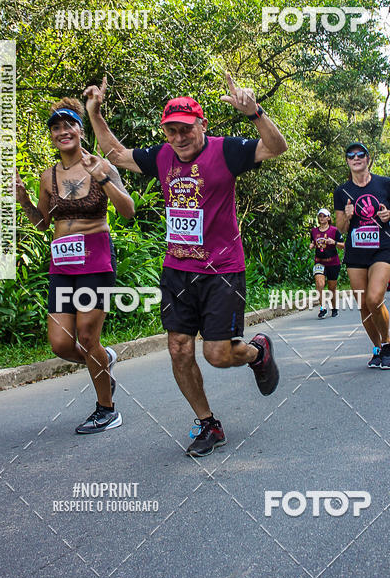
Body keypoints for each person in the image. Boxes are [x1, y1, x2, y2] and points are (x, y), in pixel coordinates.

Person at [83, 74, 288, 458]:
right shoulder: (162, 157)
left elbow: (276, 147)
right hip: (178, 270)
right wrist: (95, 113)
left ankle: (257, 353)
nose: (178, 137)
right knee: (179, 348)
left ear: (202, 125)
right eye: (171, 130)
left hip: (223, 270)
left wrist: (255, 112)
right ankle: (208, 423)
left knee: (218, 354)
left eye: (185, 129)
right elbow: (116, 155)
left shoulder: (226, 151)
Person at [15, 98, 135, 434]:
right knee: (61, 344)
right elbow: (42, 224)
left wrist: (105, 178)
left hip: (96, 262)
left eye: (69, 125)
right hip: (62, 267)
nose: (63, 131)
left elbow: (128, 211)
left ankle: (106, 410)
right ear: (51, 136)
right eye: (55, 127)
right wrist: (24, 201)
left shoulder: (100, 165)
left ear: (80, 130)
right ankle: (104, 361)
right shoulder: (47, 176)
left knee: (86, 335)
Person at [333, 141, 390, 370]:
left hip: (382, 246)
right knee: (363, 304)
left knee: (374, 299)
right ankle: (377, 348)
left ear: (368, 158)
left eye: (360, 154)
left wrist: (389, 214)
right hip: (356, 251)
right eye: (350, 155)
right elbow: (341, 228)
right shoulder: (341, 192)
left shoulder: (385, 184)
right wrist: (348, 215)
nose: (355, 158)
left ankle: (388, 343)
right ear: (347, 161)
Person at [309, 209, 345, 318]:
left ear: (329, 218)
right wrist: (312, 245)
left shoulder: (334, 230)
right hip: (319, 261)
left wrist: (334, 242)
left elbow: (343, 245)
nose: (322, 218)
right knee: (319, 284)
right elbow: (313, 242)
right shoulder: (314, 231)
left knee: (332, 288)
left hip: (333, 262)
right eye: (320, 216)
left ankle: (334, 308)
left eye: (324, 216)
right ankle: (323, 308)